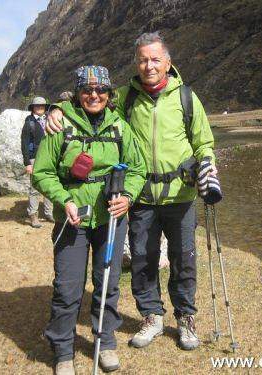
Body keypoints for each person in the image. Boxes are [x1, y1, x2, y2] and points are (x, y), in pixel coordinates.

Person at [46, 32, 218, 351]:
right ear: (136, 63)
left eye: (155, 59)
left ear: (167, 62)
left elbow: (204, 141)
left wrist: (207, 163)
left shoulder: (186, 97)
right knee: (143, 258)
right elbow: (89, 98)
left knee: (183, 259)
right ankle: (152, 315)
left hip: (180, 195)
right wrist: (55, 108)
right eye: (143, 59)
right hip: (140, 198)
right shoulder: (125, 96)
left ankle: (184, 318)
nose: (148, 65)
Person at [32, 65, 146, 374]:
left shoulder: (120, 127)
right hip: (73, 221)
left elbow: (137, 169)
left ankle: (105, 341)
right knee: (68, 287)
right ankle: (63, 350)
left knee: (107, 284)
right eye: (87, 90)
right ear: (78, 93)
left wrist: (129, 196)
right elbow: (41, 173)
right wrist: (65, 199)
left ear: (109, 94)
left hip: (110, 220)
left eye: (100, 90)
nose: (93, 95)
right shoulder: (60, 127)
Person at [21, 96, 53, 228]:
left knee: (50, 186)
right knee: (34, 188)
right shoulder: (29, 123)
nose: (40, 107)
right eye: (37, 106)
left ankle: (49, 212)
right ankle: (33, 215)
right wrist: (27, 163)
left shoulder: (50, 119)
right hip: (35, 158)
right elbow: (24, 144)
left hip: (50, 157)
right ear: (33, 108)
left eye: (42, 105)